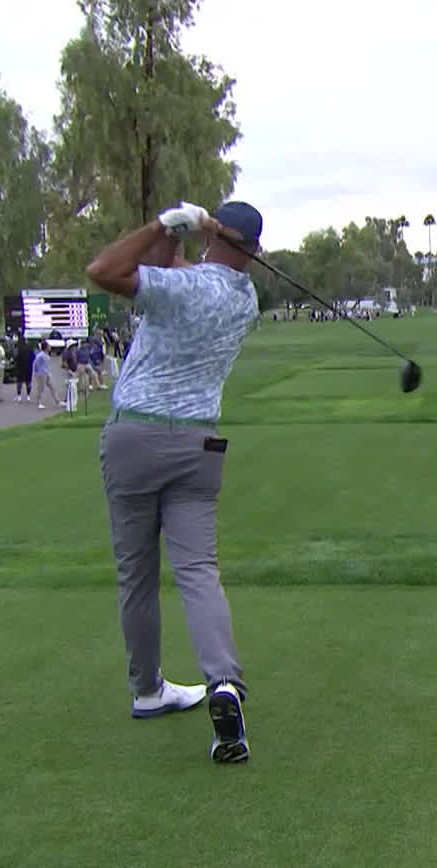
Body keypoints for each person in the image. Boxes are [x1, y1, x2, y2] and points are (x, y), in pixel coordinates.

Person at [84, 199, 262, 764]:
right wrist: (189, 237)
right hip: (197, 445)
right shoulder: (245, 300)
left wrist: (163, 226)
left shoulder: (180, 289)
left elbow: (103, 271)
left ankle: (147, 689)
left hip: (133, 436)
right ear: (252, 253)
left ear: (214, 237)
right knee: (198, 569)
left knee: (137, 574)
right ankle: (224, 683)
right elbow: (176, 274)